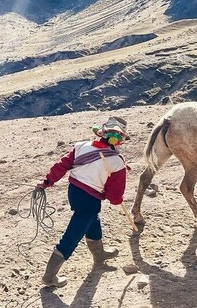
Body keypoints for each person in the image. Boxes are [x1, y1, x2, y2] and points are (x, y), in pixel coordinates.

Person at [37, 117, 129, 288]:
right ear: (119, 140)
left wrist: (47, 182)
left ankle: (99, 255)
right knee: (73, 234)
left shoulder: (81, 146)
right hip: (90, 198)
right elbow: (115, 194)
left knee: (92, 219)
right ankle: (49, 276)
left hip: (74, 192)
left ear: (100, 133)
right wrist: (117, 200)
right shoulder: (117, 162)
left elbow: (62, 165)